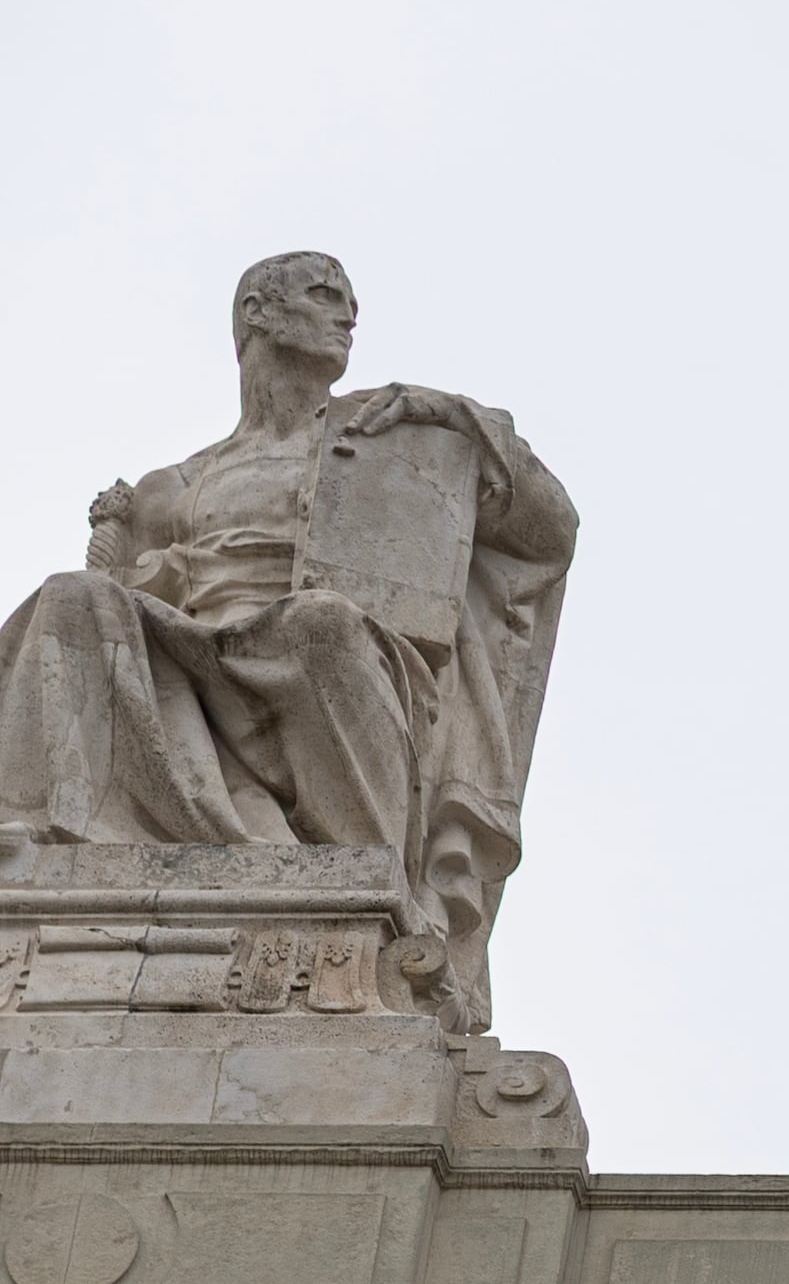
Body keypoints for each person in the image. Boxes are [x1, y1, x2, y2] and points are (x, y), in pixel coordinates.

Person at [0, 251, 576, 1022]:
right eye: (323, 294)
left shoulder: (388, 437)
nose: (347, 315)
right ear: (257, 315)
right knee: (70, 597)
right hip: (194, 661)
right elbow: (136, 595)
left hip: (331, 661)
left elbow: (550, 532)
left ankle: (365, 882)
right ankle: (36, 836)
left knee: (319, 620)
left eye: (349, 302)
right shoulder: (178, 482)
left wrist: (459, 420)